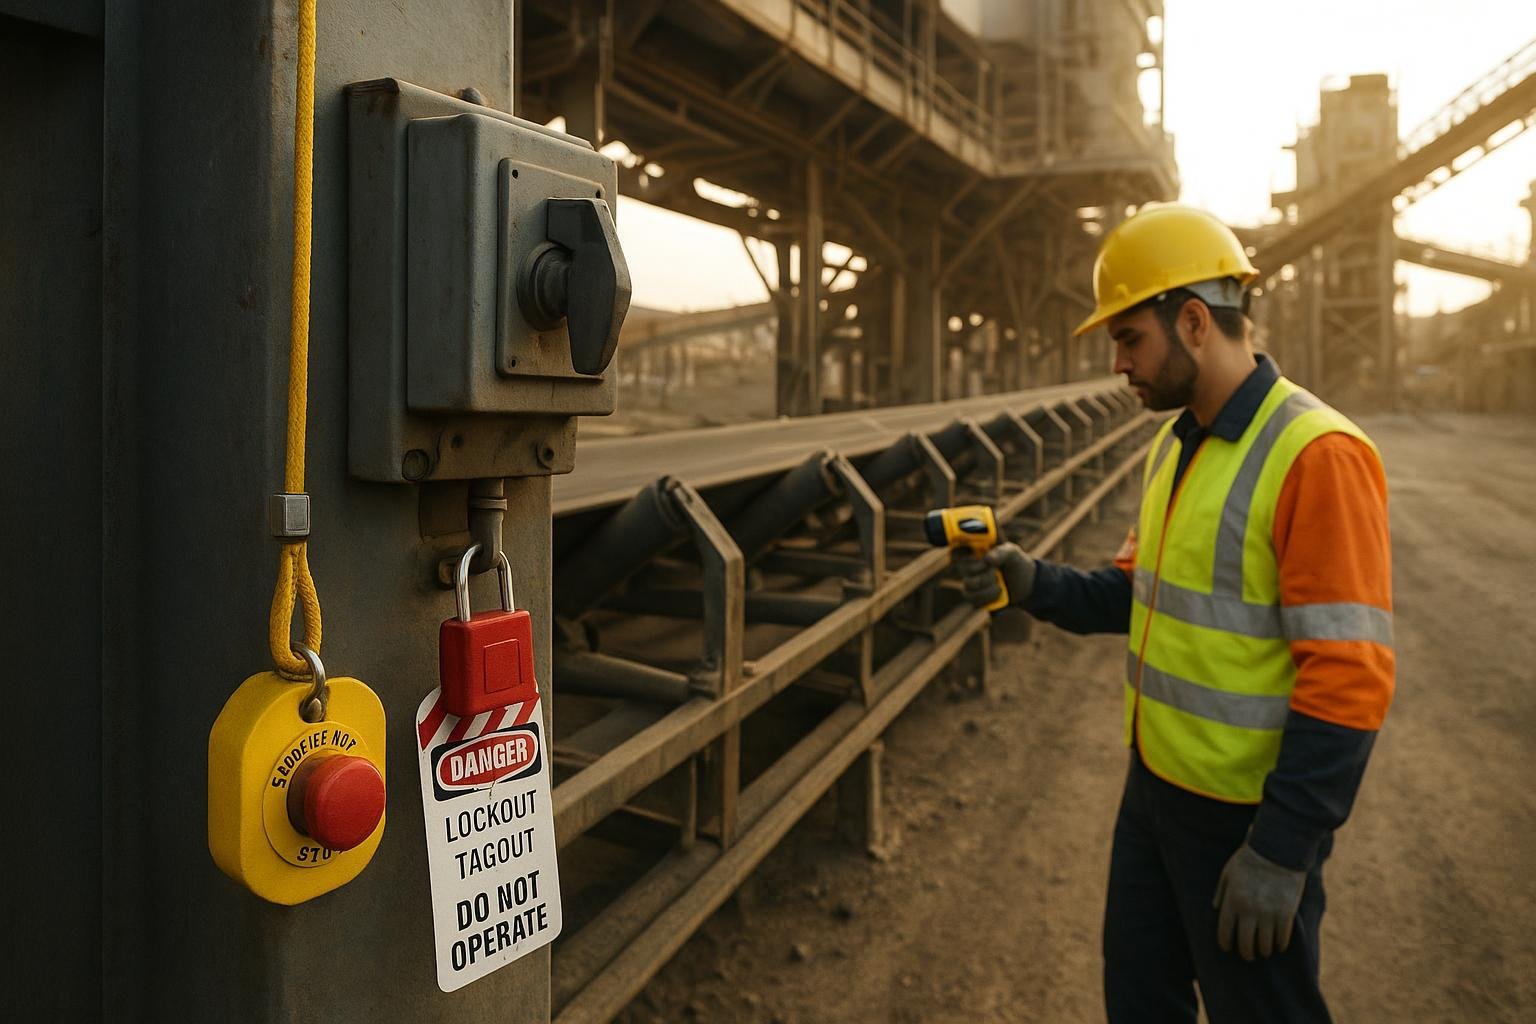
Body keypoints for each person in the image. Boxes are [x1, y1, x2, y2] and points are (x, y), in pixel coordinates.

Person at [955, 204, 1394, 1023]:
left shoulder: (1315, 454)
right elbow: (1136, 594)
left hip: (1244, 821)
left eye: (1129, 339)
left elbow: (1350, 678)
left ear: (1193, 322)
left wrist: (1282, 851)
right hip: (1153, 794)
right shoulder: (1177, 443)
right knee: (1140, 999)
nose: (1118, 364)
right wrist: (1029, 581)